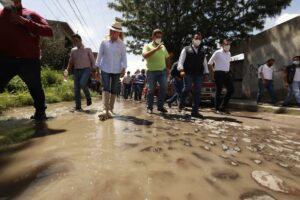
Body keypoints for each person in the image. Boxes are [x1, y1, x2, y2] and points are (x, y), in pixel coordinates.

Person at [0, 0, 53, 120]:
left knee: (35, 88)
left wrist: (25, 22)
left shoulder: (31, 14)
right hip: (5, 60)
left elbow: (49, 31)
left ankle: (40, 113)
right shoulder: (1, 15)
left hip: (29, 61)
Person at [95, 21, 127, 118]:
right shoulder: (104, 42)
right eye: (112, 31)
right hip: (105, 68)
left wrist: (124, 69)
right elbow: (99, 55)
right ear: (110, 31)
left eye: (116, 32)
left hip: (116, 70)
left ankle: (111, 109)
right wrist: (97, 68)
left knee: (114, 88)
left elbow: (124, 57)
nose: (113, 33)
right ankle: (105, 109)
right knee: (106, 87)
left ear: (119, 33)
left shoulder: (122, 45)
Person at [177, 33, 209, 118]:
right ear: (192, 40)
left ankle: (195, 111)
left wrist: (206, 73)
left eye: (199, 39)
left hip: (199, 74)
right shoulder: (186, 49)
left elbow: (205, 63)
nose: (198, 40)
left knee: (198, 92)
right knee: (187, 88)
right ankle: (181, 103)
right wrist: (181, 70)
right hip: (188, 73)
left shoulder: (202, 51)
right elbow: (180, 61)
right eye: (196, 38)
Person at [142, 29, 171, 114]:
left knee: (164, 87)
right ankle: (149, 107)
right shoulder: (147, 45)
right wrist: (155, 49)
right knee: (151, 90)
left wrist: (168, 69)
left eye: (160, 37)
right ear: (153, 37)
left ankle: (160, 106)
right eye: (157, 36)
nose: (159, 38)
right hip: (151, 72)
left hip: (162, 72)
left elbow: (168, 57)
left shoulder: (163, 47)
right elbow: (144, 55)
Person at [66, 34, 95, 111]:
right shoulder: (73, 50)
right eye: (74, 41)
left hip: (86, 69)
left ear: (80, 40)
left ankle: (88, 97)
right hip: (76, 70)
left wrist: (94, 70)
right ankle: (78, 106)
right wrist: (67, 69)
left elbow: (93, 61)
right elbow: (71, 61)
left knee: (82, 83)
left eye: (77, 40)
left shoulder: (88, 49)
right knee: (76, 88)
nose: (75, 42)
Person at [208, 39, 234, 114]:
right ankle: (217, 108)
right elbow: (210, 63)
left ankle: (222, 107)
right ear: (222, 45)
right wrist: (213, 73)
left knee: (231, 90)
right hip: (218, 73)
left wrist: (229, 72)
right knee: (219, 90)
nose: (228, 46)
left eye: (229, 44)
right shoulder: (217, 52)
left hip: (227, 73)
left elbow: (227, 63)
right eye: (226, 44)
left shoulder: (229, 53)